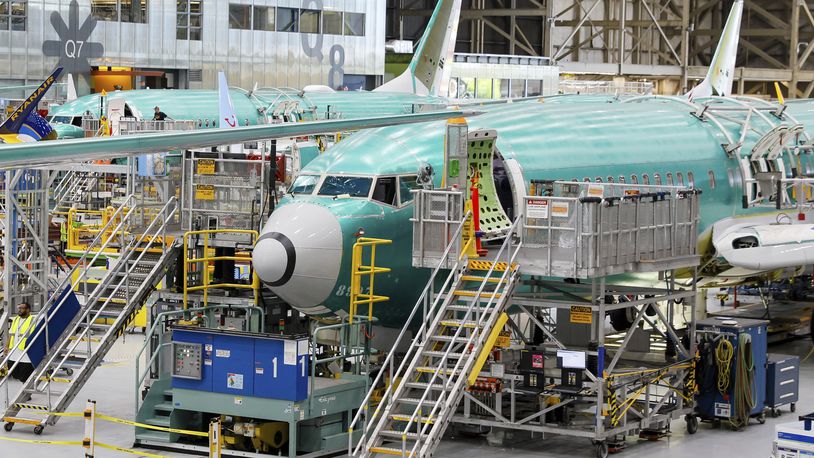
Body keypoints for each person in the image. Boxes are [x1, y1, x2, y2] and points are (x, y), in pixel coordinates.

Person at [6, 303, 35, 383]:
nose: (19, 310)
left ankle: (26, 394)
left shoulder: (33, 320)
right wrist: (6, 346)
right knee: (14, 373)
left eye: (22, 308)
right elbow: (11, 334)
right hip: (14, 352)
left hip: (25, 353)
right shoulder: (16, 319)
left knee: (25, 376)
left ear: (28, 310)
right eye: (19, 308)